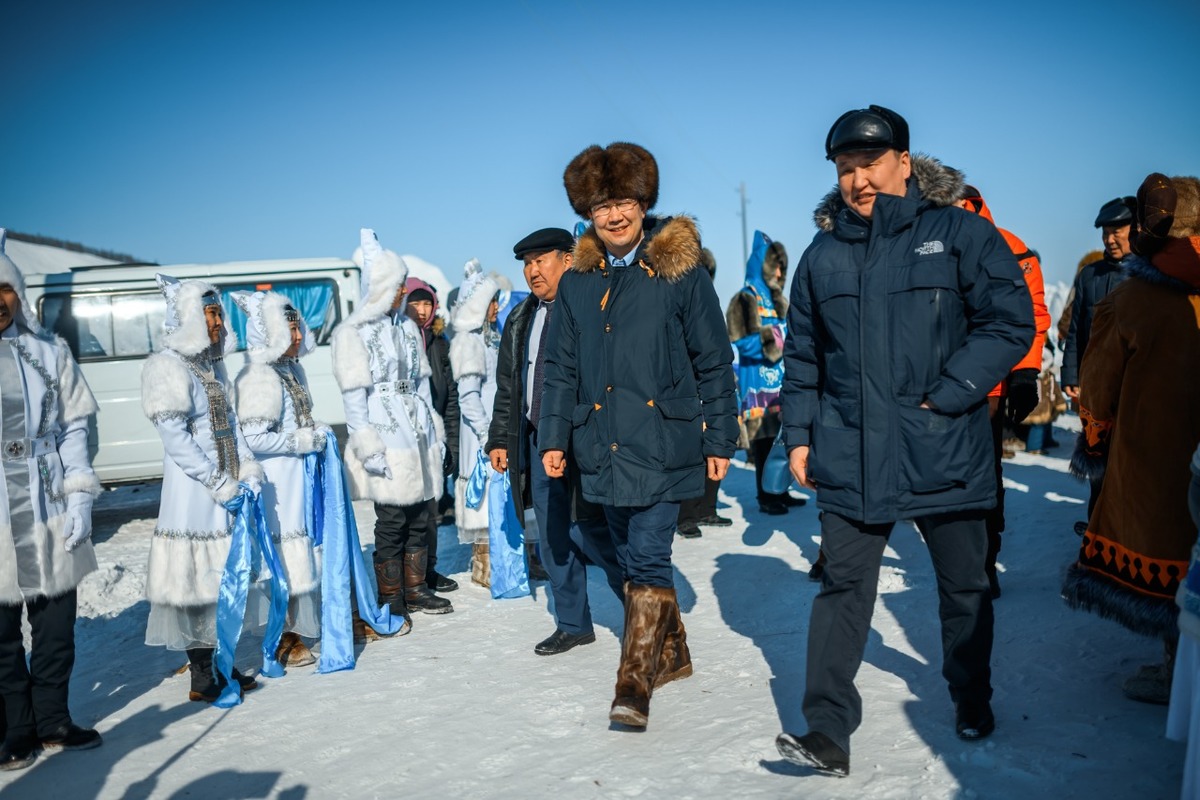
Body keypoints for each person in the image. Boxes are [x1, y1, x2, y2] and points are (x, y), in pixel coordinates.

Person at [774, 105, 1034, 777]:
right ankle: (827, 728)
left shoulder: (959, 234)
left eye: (869, 164)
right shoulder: (821, 255)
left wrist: (950, 393)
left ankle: (970, 696)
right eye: (844, 168)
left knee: (965, 588)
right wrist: (798, 435)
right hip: (851, 451)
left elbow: (1009, 322)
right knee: (842, 587)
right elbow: (803, 356)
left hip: (942, 444)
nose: (857, 179)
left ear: (904, 163)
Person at [540, 142, 738, 728]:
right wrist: (554, 437)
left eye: (624, 202)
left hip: (664, 441)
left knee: (649, 556)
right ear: (588, 213)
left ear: (644, 203)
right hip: (601, 444)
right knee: (627, 556)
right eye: (602, 207)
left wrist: (720, 437)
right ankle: (670, 652)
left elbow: (713, 360)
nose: (615, 216)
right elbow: (560, 368)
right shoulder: (577, 282)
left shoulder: (679, 269)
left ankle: (633, 687)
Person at [1063, 173, 1200, 705]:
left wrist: (1095, 444)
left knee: (1171, 558)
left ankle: (1177, 672)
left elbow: (1097, 392)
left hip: (1156, 462)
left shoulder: (1132, 298)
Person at [486, 227, 623, 655]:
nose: (532, 271)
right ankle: (573, 622)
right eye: (526, 264)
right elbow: (509, 385)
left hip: (583, 438)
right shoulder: (522, 316)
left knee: (592, 530)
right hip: (534, 436)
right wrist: (499, 439)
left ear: (567, 259)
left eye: (540, 260)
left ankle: (646, 612)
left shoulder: (591, 305)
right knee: (552, 535)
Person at [0, 232, 103, 769]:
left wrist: (80, 493)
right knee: (0, 634)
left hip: (47, 501)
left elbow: (73, 428)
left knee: (56, 623)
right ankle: (16, 729)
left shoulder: (47, 352)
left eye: (5, 289)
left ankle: (54, 717)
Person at [140, 274, 263, 703]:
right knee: (197, 579)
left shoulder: (212, 365)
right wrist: (214, 480)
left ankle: (222, 662)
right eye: (210, 314)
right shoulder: (167, 365)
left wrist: (247, 468)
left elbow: (230, 422)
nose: (218, 323)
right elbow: (175, 438)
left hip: (226, 481)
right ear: (190, 317)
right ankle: (202, 675)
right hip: (196, 489)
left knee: (222, 577)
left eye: (218, 314)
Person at [333, 229, 452, 620]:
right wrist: (366, 444)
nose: (403, 292)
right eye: (398, 285)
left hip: (415, 426)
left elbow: (420, 380)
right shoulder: (353, 333)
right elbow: (353, 396)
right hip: (384, 430)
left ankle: (416, 587)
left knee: (421, 513)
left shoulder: (405, 328)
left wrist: (434, 429)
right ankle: (391, 594)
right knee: (392, 520)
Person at [957, 184, 1051, 598]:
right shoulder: (921, 241)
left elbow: (1032, 311)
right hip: (933, 384)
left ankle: (983, 563)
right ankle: (959, 559)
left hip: (989, 386)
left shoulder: (1009, 246)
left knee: (984, 477)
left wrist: (1026, 372)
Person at [232, 291, 327, 667]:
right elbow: (253, 437)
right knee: (280, 553)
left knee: (299, 548)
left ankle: (295, 626)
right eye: (290, 329)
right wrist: (300, 441)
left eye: (299, 327)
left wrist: (314, 432)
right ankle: (282, 632)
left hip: (297, 474)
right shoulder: (258, 374)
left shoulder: (292, 368)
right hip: (276, 481)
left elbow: (299, 417)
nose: (299, 335)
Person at [1062, 196, 1135, 523]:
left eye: (1117, 230)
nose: (1109, 238)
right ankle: (1095, 530)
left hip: (1133, 389)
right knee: (1097, 463)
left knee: (1129, 466)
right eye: (1105, 232)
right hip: (1094, 390)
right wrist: (1070, 375)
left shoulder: (1148, 277)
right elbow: (1076, 329)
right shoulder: (1089, 275)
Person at [727, 231, 804, 516]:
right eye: (775, 264)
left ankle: (780, 489)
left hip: (782, 382)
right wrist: (777, 339)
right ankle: (765, 496)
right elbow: (740, 338)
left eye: (782, 265)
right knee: (763, 442)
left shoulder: (779, 301)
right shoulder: (744, 299)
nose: (780, 271)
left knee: (783, 439)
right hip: (757, 382)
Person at [449, 259, 501, 585]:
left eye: (495, 301)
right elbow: (468, 396)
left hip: (496, 427)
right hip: (481, 432)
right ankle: (484, 567)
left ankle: (496, 561)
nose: (495, 307)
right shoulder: (469, 342)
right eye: (489, 302)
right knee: (482, 497)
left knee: (496, 497)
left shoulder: (491, 338)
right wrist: (485, 433)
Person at [676, 247, 733, 538]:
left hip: (707, 382)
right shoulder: (679, 298)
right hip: (685, 386)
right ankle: (686, 515)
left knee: (715, 444)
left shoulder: (708, 300)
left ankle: (707, 507)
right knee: (691, 453)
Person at [406, 277, 461, 540]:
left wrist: (453, 441)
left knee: (430, 503)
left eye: (427, 303)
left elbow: (450, 396)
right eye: (414, 303)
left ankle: (426, 568)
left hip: (435, 427)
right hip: (405, 433)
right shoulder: (397, 340)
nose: (421, 310)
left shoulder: (439, 343)